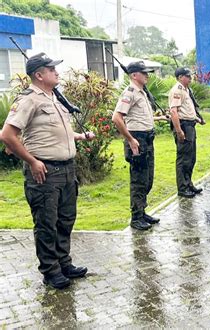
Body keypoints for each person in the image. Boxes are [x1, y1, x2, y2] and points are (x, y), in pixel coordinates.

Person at [2, 52, 95, 289]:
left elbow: (56, 131)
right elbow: (7, 135)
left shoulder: (54, 98)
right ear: (39, 74)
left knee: (65, 221)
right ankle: (50, 271)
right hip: (45, 172)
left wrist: (80, 136)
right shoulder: (28, 100)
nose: (56, 71)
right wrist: (32, 161)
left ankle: (64, 263)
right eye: (51, 68)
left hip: (66, 170)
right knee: (46, 223)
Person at [112, 61, 166, 231]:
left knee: (148, 179)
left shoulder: (142, 93)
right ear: (134, 75)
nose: (147, 75)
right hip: (137, 139)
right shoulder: (130, 93)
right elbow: (117, 118)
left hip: (147, 138)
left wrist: (157, 119)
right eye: (144, 73)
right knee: (139, 180)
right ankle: (136, 217)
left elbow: (139, 117)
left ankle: (142, 211)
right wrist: (130, 139)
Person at [168, 67, 204, 197]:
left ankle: (188, 183)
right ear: (180, 77)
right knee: (184, 158)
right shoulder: (177, 90)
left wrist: (197, 118)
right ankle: (182, 188)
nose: (190, 78)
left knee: (191, 158)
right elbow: (174, 111)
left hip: (190, 125)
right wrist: (179, 131)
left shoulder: (186, 90)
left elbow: (187, 109)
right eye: (187, 76)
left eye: (190, 76)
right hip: (183, 126)